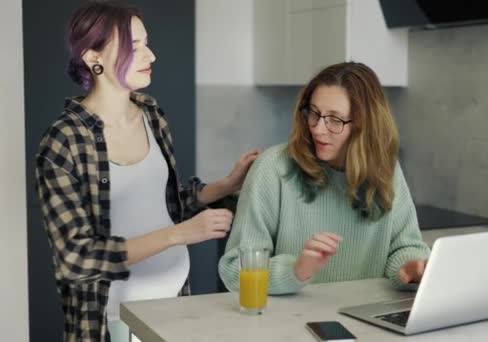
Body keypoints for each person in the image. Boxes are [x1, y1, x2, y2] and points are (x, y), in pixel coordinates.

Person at [34, 1, 259, 341]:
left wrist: (225, 185)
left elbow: (164, 205)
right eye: (134, 46)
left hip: (175, 310)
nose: (151, 55)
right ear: (93, 57)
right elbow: (75, 257)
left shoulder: (151, 115)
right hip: (110, 322)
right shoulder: (62, 142)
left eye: (147, 42)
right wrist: (179, 235)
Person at [218, 62, 430, 296]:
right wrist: (295, 271)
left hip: (364, 318)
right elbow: (234, 270)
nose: (318, 129)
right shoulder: (272, 169)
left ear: (365, 126)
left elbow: (405, 248)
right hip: (285, 326)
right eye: (314, 113)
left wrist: (410, 269)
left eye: (335, 120)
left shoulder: (386, 170)